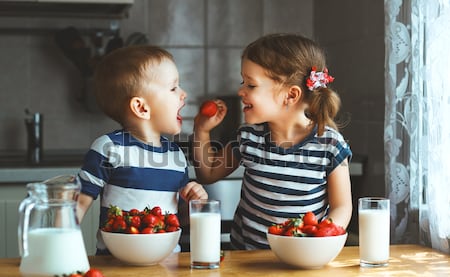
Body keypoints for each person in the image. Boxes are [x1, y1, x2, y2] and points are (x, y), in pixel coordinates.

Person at [192, 33, 352, 250]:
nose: (241, 91)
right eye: (243, 82)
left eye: (251, 85)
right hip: (246, 262)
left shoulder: (330, 145)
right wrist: (201, 130)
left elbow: (342, 207)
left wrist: (322, 239)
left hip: (301, 259)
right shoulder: (249, 137)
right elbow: (208, 173)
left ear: (291, 95)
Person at [77, 45, 208, 254]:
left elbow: (181, 219)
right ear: (141, 108)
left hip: (168, 268)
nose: (184, 94)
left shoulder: (176, 156)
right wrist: (61, 250)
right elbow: (78, 204)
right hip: (116, 267)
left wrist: (195, 204)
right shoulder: (109, 148)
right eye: (173, 88)